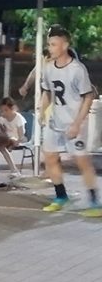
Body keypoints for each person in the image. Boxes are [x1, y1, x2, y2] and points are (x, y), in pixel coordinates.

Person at [40, 25, 101, 216]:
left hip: (73, 123)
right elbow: (47, 92)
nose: (50, 48)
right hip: (55, 123)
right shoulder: (48, 68)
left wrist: (77, 124)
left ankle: (95, 203)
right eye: (49, 44)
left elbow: (88, 96)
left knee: (82, 162)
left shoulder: (77, 69)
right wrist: (41, 112)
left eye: (54, 44)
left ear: (65, 45)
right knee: (50, 157)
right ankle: (61, 196)